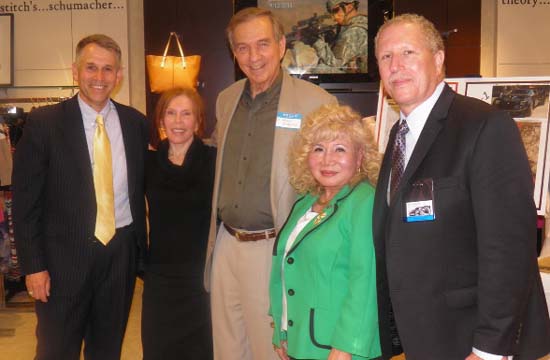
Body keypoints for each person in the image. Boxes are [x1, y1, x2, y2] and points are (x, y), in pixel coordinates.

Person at [372, 13, 550, 360]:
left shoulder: (484, 126)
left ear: (438, 59)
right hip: (423, 337)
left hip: (470, 340)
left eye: (408, 52)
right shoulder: (399, 135)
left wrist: (488, 350)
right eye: (386, 57)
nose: (396, 66)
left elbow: (509, 248)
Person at [204, 7, 337, 360]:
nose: (253, 56)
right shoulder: (226, 99)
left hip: (275, 245)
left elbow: (337, 184)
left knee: (272, 349)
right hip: (225, 244)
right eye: (243, 47)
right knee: (228, 349)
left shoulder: (316, 104)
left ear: (281, 46)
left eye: (262, 44)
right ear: (234, 53)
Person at [12, 34, 148, 360]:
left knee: (107, 348)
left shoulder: (135, 123)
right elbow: (26, 203)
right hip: (61, 263)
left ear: (119, 75)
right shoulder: (44, 124)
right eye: (91, 68)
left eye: (107, 69)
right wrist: (34, 267)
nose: (99, 78)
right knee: (56, 350)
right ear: (75, 71)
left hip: (120, 254)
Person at [269, 104, 382, 360]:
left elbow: (365, 284)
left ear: (360, 156)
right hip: (302, 342)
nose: (327, 159)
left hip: (340, 349)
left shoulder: (365, 203)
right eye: (318, 149)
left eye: (339, 149)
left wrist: (346, 347)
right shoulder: (305, 202)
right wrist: (282, 329)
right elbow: (287, 267)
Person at [142, 87, 215, 359]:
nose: (178, 121)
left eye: (187, 114)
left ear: (198, 122)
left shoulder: (213, 161)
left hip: (201, 278)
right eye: (170, 113)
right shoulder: (147, 162)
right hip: (160, 278)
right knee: (158, 349)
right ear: (161, 120)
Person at [313, 0, 368, 73]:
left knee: (321, 69)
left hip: (357, 79)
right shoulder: (359, 24)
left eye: (336, 10)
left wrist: (316, 42)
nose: (334, 18)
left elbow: (336, 63)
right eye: (331, 13)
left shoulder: (355, 31)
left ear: (349, 7)